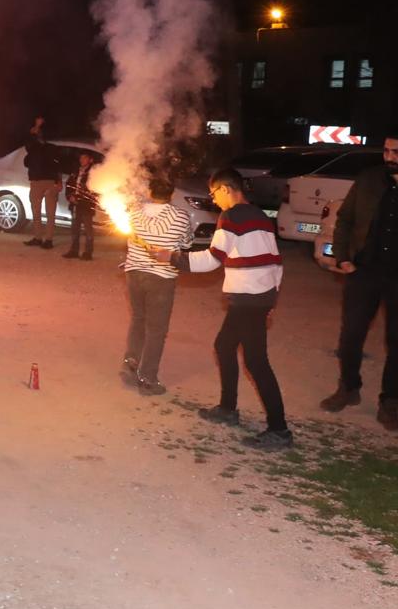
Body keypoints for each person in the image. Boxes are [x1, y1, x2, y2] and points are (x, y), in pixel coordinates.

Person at [141, 168, 292, 450]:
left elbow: (212, 259)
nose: (214, 200)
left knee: (257, 362)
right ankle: (227, 408)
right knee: (224, 346)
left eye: (213, 193)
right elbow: (276, 261)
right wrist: (271, 299)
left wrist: (171, 257)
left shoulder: (231, 217)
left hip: (248, 298)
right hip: (257, 297)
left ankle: (279, 430)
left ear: (225, 189)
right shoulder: (260, 216)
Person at [321, 126, 398, 433]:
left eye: (397, 152)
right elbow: (345, 218)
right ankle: (348, 388)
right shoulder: (369, 179)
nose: (389, 157)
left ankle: (390, 403)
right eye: (386, 151)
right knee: (350, 335)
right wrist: (343, 256)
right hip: (364, 273)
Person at [120, 175, 193, 395]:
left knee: (138, 318)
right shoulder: (180, 216)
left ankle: (131, 362)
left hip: (134, 273)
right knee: (157, 329)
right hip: (161, 277)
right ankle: (148, 378)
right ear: (172, 193)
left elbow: (129, 238)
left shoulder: (134, 212)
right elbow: (187, 243)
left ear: (150, 192)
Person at [22, 115, 61, 249]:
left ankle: (48, 240)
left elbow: (57, 165)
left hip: (49, 182)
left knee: (49, 213)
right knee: (37, 212)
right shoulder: (33, 147)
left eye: (38, 130)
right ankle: (39, 238)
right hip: (38, 181)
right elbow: (28, 144)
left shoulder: (51, 147)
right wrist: (36, 127)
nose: (36, 131)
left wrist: (58, 181)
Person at [62, 151, 99, 261]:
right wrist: (70, 196)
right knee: (75, 229)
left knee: (88, 230)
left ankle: (88, 252)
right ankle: (74, 250)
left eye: (85, 158)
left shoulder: (94, 173)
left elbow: (95, 190)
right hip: (75, 205)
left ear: (90, 160)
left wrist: (83, 196)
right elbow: (69, 185)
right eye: (81, 158)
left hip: (86, 205)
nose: (82, 160)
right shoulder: (76, 171)